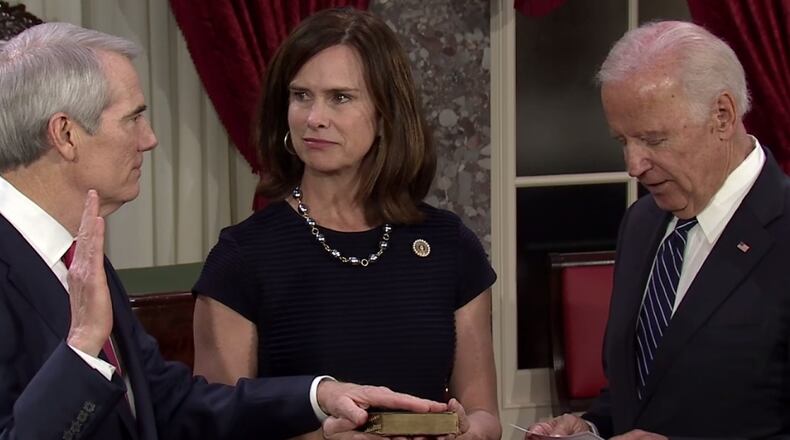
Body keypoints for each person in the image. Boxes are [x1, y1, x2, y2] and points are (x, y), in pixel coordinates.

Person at [0, 22, 449, 440]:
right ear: (65, 134)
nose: (149, 138)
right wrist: (81, 349)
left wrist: (319, 396)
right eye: (132, 118)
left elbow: (166, 401)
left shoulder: (78, 253)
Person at [191, 7, 501, 440]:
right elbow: (214, 428)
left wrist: (469, 432)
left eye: (340, 97)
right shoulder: (242, 259)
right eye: (301, 96)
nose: (314, 117)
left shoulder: (451, 246)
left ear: (385, 114)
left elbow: (485, 414)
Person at [529, 20, 790, 439]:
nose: (634, 166)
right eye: (623, 141)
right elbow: (642, 391)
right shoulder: (642, 223)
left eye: (653, 139)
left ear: (722, 115)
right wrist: (593, 426)